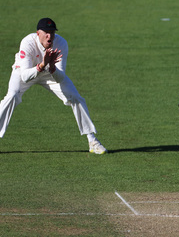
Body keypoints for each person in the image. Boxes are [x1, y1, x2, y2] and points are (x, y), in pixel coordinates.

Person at [0, 18, 107, 154]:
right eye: (46, 32)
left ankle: (92, 141)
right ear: (38, 33)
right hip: (26, 70)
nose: (49, 36)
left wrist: (51, 67)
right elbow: (25, 76)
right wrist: (42, 65)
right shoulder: (27, 42)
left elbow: (60, 77)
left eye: (52, 32)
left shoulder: (61, 43)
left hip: (50, 73)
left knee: (75, 97)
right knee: (12, 96)